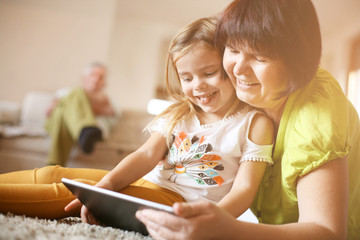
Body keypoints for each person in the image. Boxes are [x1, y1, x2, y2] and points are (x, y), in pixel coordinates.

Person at [0, 17, 274, 226]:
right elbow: (145, 155)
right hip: (149, 185)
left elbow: (245, 188)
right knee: (58, 174)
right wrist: (107, 185)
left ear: (229, 67)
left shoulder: (254, 123)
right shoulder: (179, 114)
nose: (198, 86)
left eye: (209, 72)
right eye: (187, 78)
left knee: (69, 195)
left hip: (179, 204)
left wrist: (212, 221)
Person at [135, 1, 360, 240]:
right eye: (232, 49)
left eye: (259, 57)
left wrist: (227, 229)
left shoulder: (315, 115)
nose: (238, 69)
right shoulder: (246, 94)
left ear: (297, 62)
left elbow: (328, 232)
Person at [45, 62, 116, 166]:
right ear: (84, 78)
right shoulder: (67, 91)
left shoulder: (108, 99)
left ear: (105, 82)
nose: (96, 79)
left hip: (66, 125)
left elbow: (111, 112)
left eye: (101, 77)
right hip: (53, 124)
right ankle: (85, 130)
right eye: (93, 75)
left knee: (62, 113)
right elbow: (48, 112)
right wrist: (88, 104)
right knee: (72, 97)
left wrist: (73, 106)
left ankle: (53, 166)